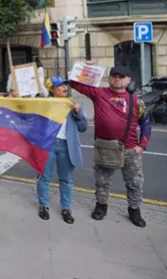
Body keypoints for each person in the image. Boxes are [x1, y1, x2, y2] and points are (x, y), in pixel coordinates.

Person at [69, 65, 151, 228]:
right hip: (105, 149)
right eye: (114, 75)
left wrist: (142, 145)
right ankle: (101, 206)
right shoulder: (99, 93)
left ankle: (134, 210)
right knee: (102, 180)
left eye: (121, 76)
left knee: (135, 182)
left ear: (128, 79)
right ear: (110, 77)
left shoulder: (136, 101)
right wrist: (87, 69)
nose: (117, 79)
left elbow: (146, 124)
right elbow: (74, 83)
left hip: (129, 149)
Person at [36, 76, 88, 224]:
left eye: (65, 84)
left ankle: (66, 209)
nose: (64, 87)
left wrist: (78, 112)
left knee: (66, 179)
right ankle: (44, 206)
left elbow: (83, 128)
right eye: (60, 85)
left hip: (66, 146)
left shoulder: (73, 104)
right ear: (52, 89)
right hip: (48, 145)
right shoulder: (44, 104)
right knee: (43, 177)